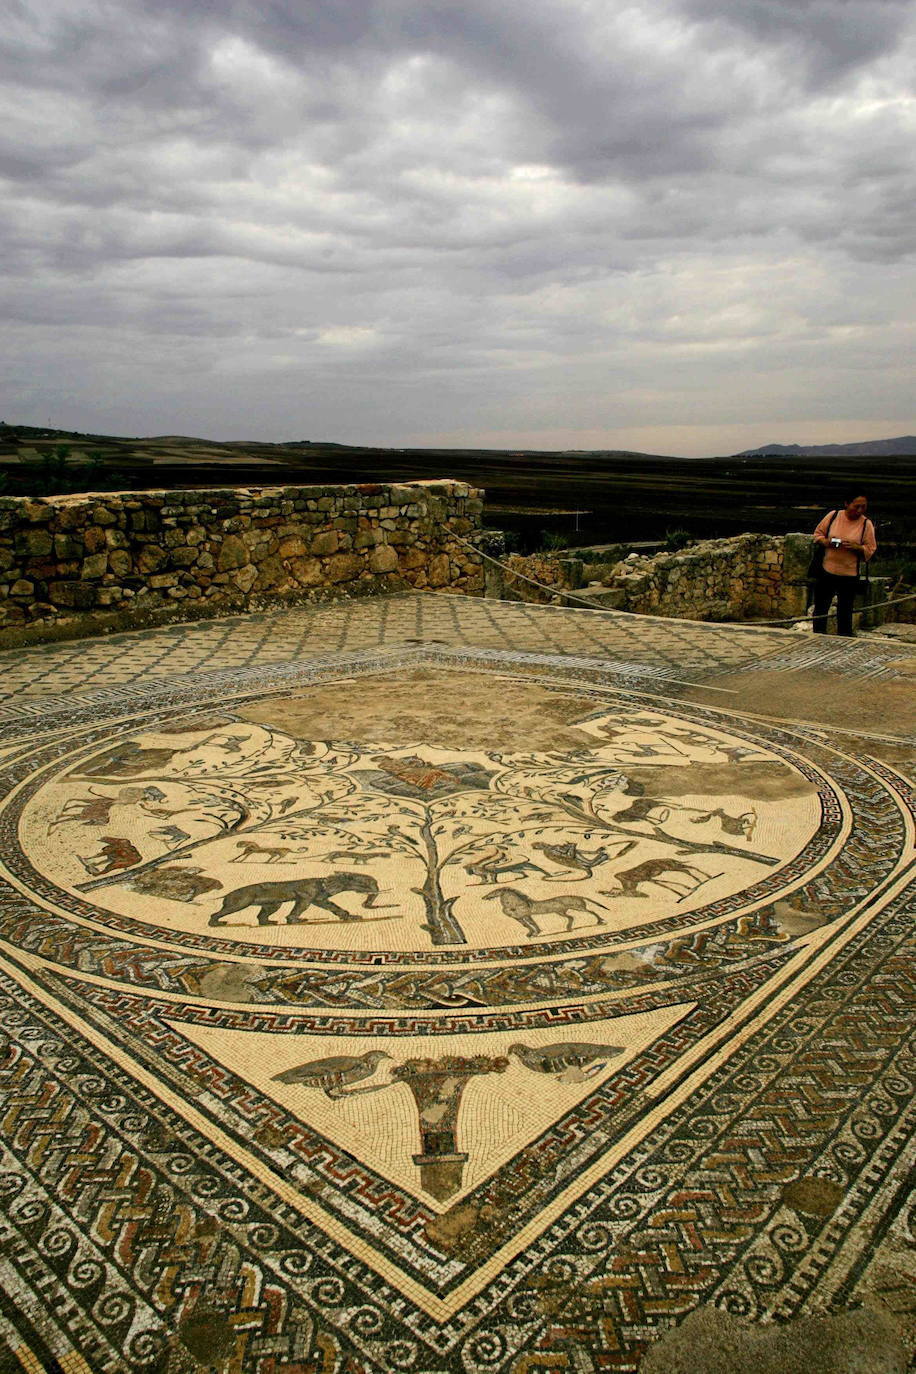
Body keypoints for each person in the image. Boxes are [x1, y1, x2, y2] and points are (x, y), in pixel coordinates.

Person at [811, 493, 876, 636]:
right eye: (856, 506)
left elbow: (871, 549)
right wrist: (826, 542)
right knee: (821, 607)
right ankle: (818, 635)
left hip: (849, 574)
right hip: (827, 569)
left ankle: (844, 638)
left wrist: (857, 547)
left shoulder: (866, 524)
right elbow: (817, 534)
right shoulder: (833, 516)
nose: (859, 510)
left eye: (863, 507)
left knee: (845, 610)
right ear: (847, 504)